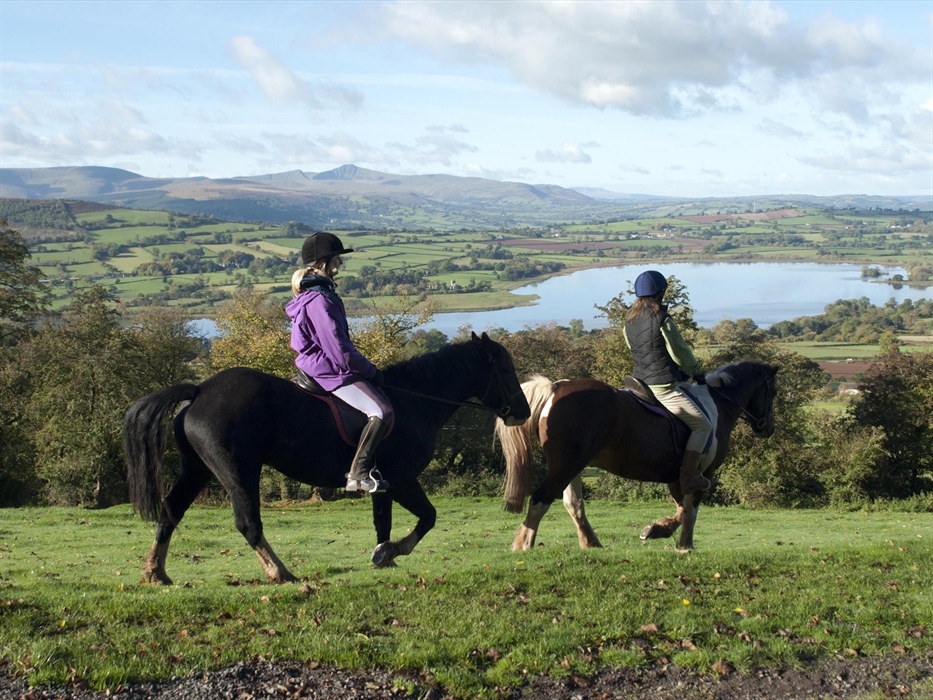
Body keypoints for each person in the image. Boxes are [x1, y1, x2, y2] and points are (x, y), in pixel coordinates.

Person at [286, 231, 394, 494]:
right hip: (330, 371)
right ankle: (358, 474)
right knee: (382, 411)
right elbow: (340, 352)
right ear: (324, 262)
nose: (340, 265)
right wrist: (370, 370)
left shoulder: (315, 295)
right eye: (337, 259)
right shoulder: (321, 301)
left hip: (322, 366)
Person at [623, 270, 712, 493]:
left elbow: (633, 349)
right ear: (661, 293)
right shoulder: (662, 319)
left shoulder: (628, 321)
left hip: (637, 383)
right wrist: (696, 371)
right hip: (662, 387)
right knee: (704, 425)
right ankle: (689, 476)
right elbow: (679, 352)